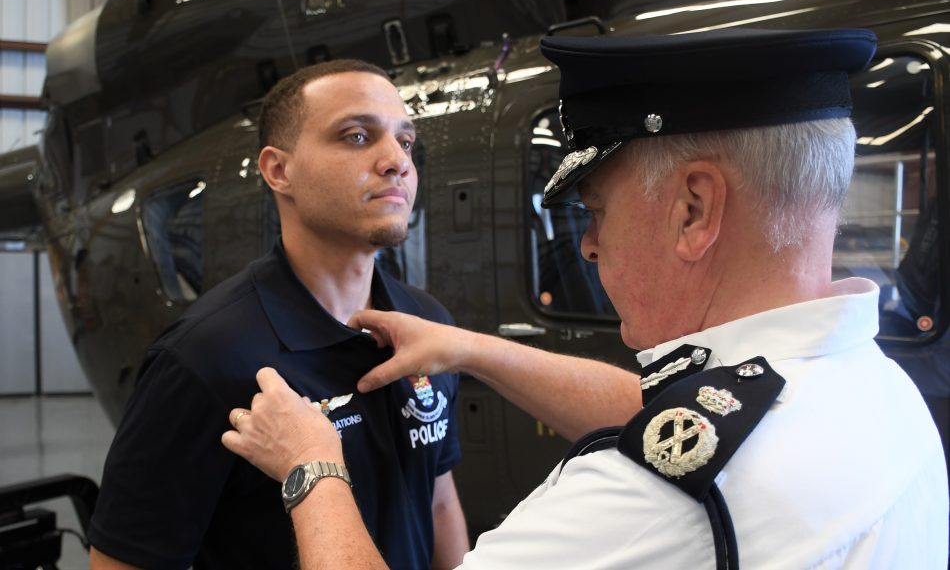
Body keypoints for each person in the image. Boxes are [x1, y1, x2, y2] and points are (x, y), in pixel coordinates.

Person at [221, 29, 949, 568]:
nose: (591, 246)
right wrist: (470, 348)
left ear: (694, 210)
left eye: (597, 211)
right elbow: (671, 417)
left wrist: (313, 466)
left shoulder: (652, 503)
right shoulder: (879, 392)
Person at [88, 59, 472, 570]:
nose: (397, 161)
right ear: (278, 170)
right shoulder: (204, 358)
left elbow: (438, 503)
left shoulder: (428, 327)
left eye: (405, 142)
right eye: (357, 137)